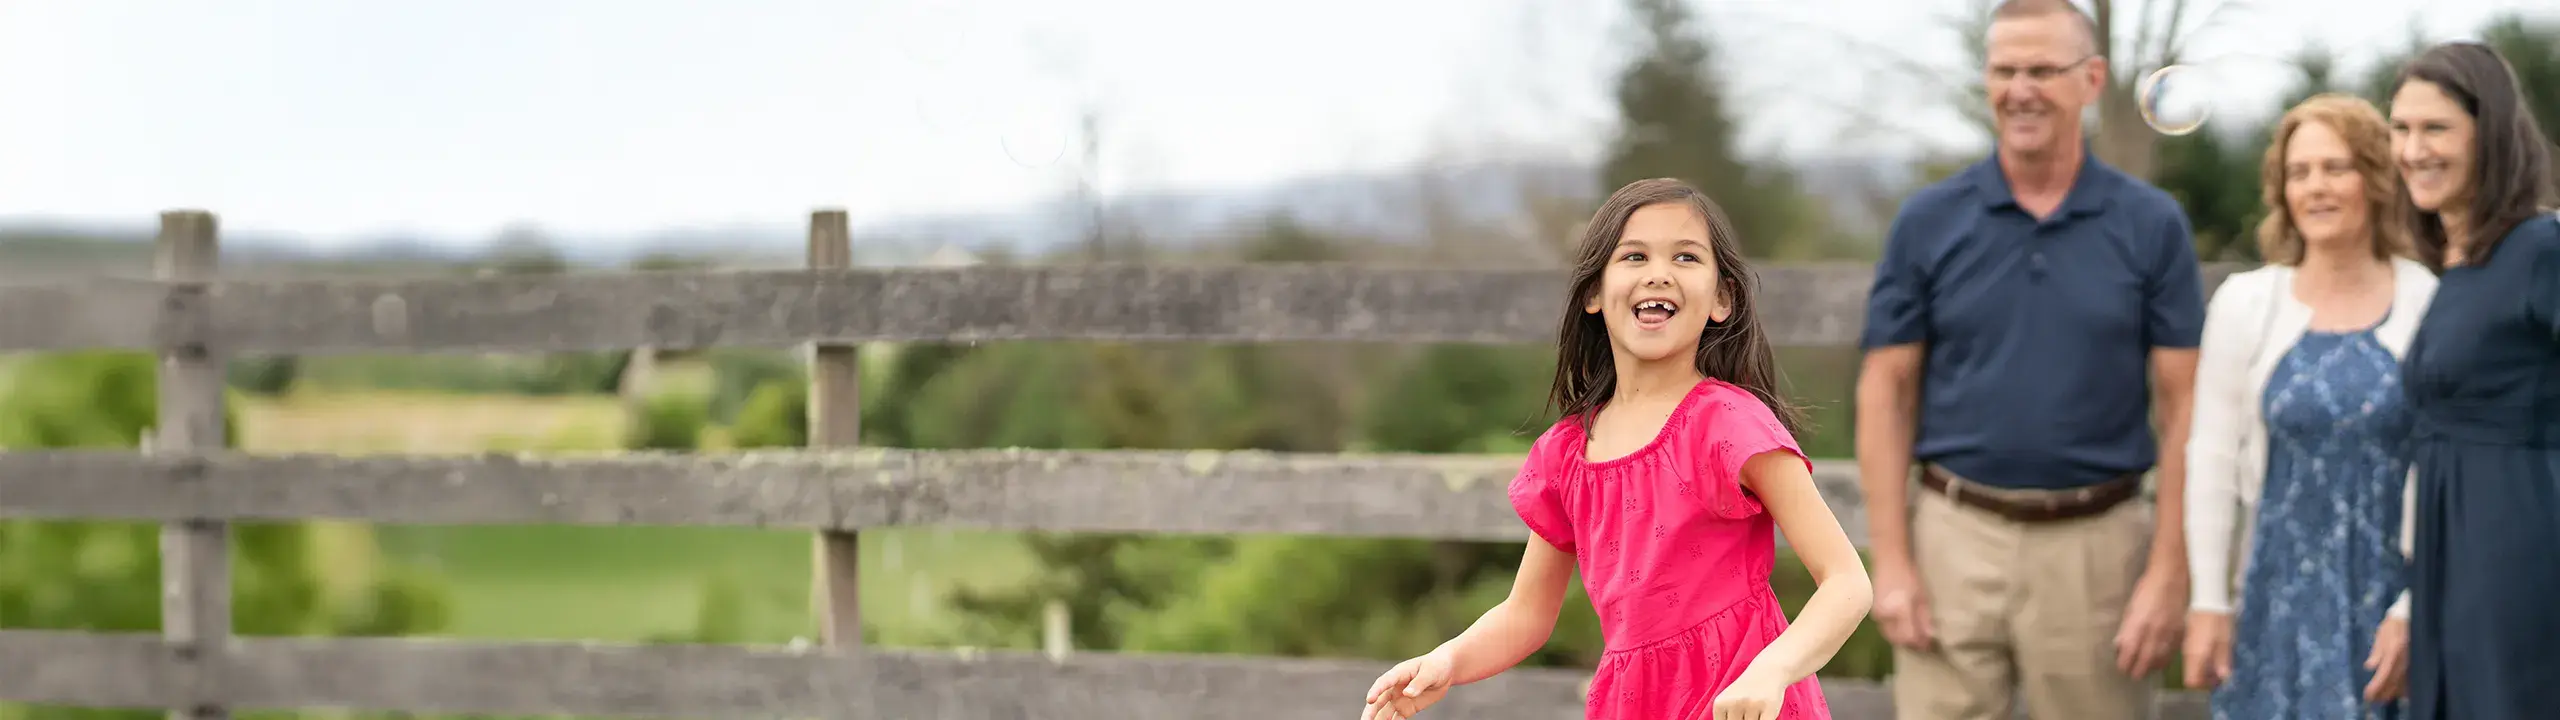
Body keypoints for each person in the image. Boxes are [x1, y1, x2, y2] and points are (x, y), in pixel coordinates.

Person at [1357, 178, 1873, 720]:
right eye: (1633, 255)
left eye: (1686, 256)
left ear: (1722, 299)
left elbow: (1846, 582)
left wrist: (1772, 670)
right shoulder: (1565, 456)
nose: (1658, 272)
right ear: (1594, 293)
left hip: (1745, 705)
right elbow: (1526, 613)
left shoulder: (1730, 424)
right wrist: (1447, 660)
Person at [1853, 0, 2206, 717]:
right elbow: (1885, 391)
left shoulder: (2150, 224)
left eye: (2043, 69)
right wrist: (1889, 561)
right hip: (1953, 538)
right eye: (2004, 70)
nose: (2021, 89)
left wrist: (2170, 570)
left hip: (2099, 551)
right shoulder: (1928, 221)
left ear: (2092, 78)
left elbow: (2184, 407)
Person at [2179, 93, 2437, 719]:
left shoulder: (2427, 299)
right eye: (2299, 172)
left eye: (2335, 168)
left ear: (2376, 178)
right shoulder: (2245, 303)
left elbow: (2442, 468)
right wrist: (2209, 601)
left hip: (2389, 605)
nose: (2315, 187)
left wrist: (2412, 609)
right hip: (2275, 598)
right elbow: (2210, 458)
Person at [2384, 40, 2560, 720]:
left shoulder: (2541, 249)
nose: (2413, 150)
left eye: (2436, 129)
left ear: (2490, 137)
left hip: (2519, 551)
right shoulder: (2457, 263)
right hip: (2447, 557)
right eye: (2400, 129)